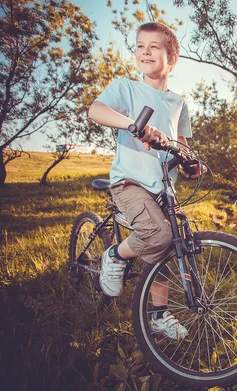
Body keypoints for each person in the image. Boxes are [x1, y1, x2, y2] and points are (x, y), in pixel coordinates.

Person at [88, 22, 195, 340]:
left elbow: (184, 146)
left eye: (154, 46)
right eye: (140, 46)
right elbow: (96, 110)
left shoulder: (179, 104)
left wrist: (191, 165)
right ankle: (115, 255)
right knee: (156, 234)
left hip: (164, 187)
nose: (145, 51)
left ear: (171, 58)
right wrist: (135, 126)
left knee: (166, 244)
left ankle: (159, 316)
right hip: (130, 182)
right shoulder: (126, 88)